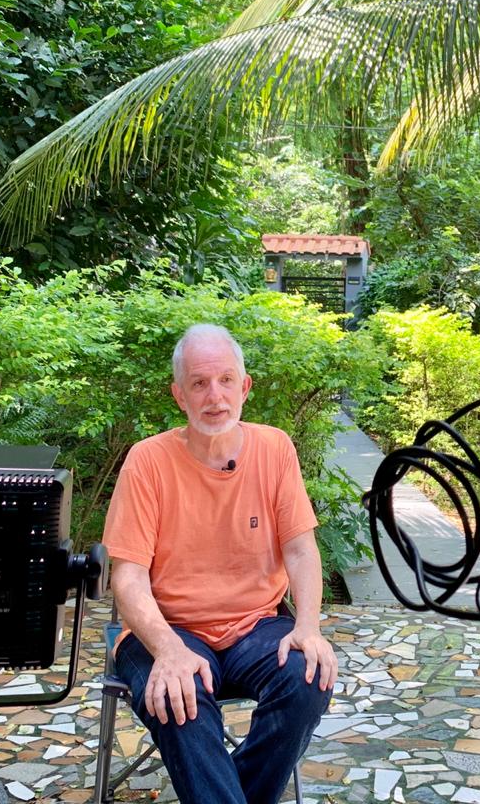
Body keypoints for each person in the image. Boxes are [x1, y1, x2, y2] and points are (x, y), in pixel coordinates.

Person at [101, 323, 336, 804]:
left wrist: (308, 627)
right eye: (199, 383)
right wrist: (167, 649)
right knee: (177, 695)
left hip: (256, 626)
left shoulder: (275, 449)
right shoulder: (147, 461)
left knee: (307, 676)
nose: (215, 396)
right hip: (167, 629)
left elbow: (300, 549)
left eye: (227, 380)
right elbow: (127, 577)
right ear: (179, 396)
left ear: (245, 387)